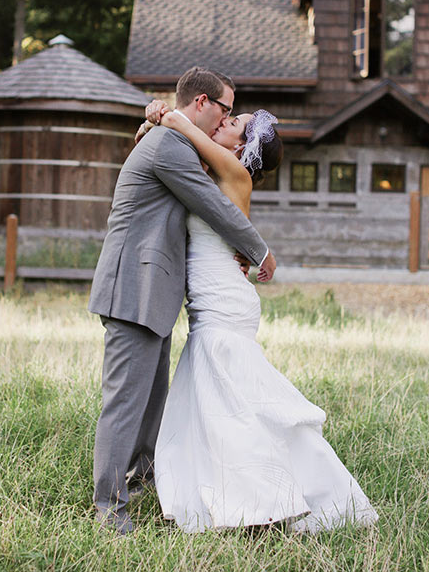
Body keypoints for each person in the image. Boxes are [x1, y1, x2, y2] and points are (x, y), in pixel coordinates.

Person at [149, 107, 379, 534]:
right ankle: (230, 496)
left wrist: (166, 112)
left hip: (224, 304)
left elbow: (182, 126)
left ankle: (272, 501)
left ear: (242, 146)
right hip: (211, 299)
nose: (223, 122)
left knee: (230, 403)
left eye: (232, 123)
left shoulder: (237, 173)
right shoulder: (214, 173)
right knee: (218, 401)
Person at [88, 67, 277, 535]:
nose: (227, 119)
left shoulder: (178, 139)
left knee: (152, 399)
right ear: (201, 104)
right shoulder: (170, 147)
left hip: (156, 290)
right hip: (134, 285)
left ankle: (145, 480)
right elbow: (212, 205)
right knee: (126, 402)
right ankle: (109, 508)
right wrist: (261, 251)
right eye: (226, 110)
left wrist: (159, 115)